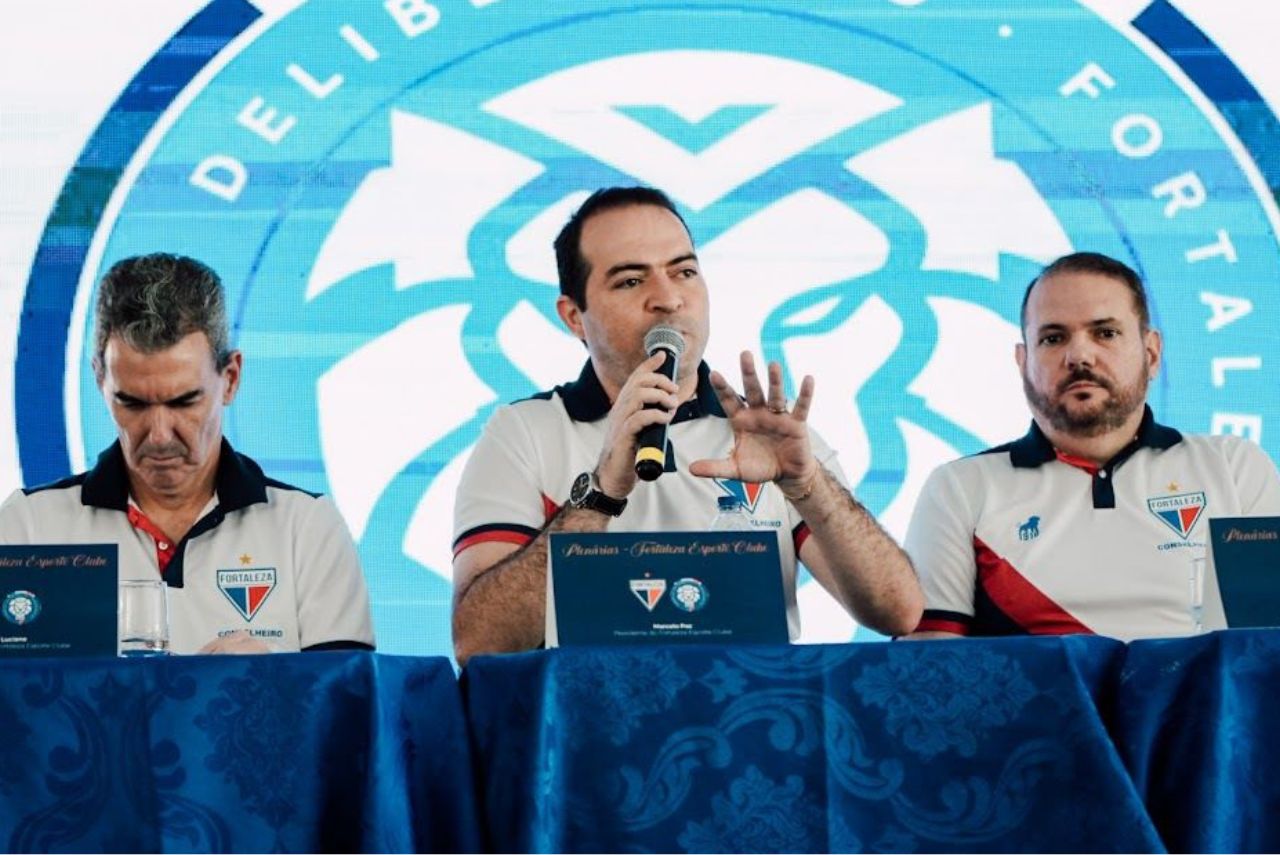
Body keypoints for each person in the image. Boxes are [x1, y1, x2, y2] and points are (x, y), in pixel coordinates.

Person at [451, 186, 923, 663]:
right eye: (631, 281)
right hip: (585, 707)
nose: (669, 299)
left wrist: (808, 485)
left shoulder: (766, 434)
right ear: (574, 317)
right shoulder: (525, 432)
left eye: (684, 272)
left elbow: (898, 613)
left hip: (749, 704)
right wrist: (601, 493)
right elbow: (479, 643)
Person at [0, 254, 374, 654]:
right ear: (99, 379)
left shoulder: (307, 530)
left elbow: (348, 695)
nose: (160, 435)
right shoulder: (29, 527)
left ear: (230, 379)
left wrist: (268, 679)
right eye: (132, 403)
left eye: (184, 402)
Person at [905, 251, 1280, 640]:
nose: (1079, 356)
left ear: (1151, 354)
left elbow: (1264, 649)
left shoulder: (1234, 467)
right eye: (1053, 338)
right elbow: (930, 659)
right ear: (1023, 362)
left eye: (1105, 333)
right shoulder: (960, 488)